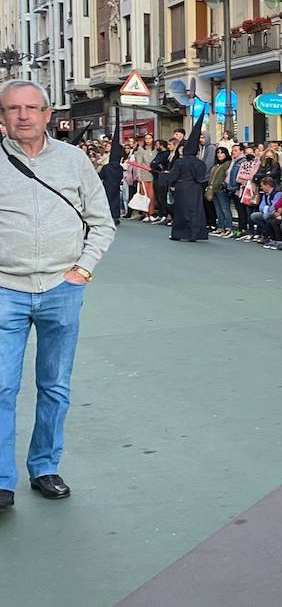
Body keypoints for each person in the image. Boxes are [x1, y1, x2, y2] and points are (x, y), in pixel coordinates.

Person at [0, 80, 117, 510]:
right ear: (3, 116)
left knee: (54, 385)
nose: (24, 115)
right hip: (4, 290)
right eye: (13, 108)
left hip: (60, 290)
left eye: (33, 108)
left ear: (49, 114)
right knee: (0, 387)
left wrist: (82, 269)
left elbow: (102, 221)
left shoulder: (73, 161)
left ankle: (45, 467)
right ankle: (1, 480)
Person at [167, 115, 210, 242]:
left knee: (181, 211)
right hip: (195, 189)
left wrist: (162, 176)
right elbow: (201, 177)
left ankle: (179, 233)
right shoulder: (200, 163)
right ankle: (195, 234)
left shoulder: (180, 162)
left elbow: (172, 176)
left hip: (182, 188)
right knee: (195, 211)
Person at [207, 147, 234, 236]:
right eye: (218, 152)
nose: (219, 154)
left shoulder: (228, 164)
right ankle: (220, 227)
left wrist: (224, 185)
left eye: (222, 153)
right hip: (213, 189)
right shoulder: (216, 165)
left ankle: (228, 227)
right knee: (218, 210)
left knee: (225, 209)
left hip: (222, 189)